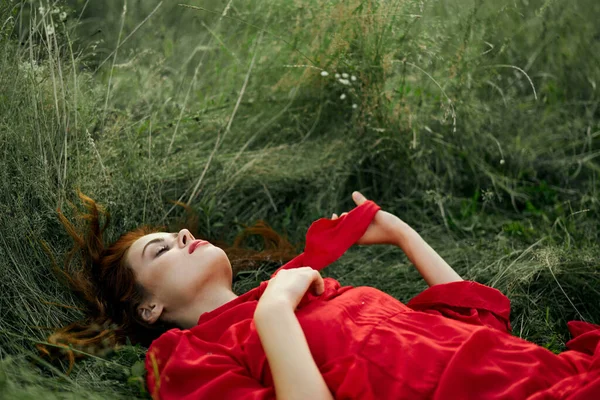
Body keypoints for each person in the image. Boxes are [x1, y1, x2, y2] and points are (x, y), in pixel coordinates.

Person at [49, 191, 600, 399]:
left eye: (178, 233)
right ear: (150, 308)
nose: (185, 236)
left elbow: (474, 331)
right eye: (162, 249)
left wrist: (404, 234)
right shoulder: (187, 360)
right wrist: (274, 309)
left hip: (538, 376)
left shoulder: (310, 287)